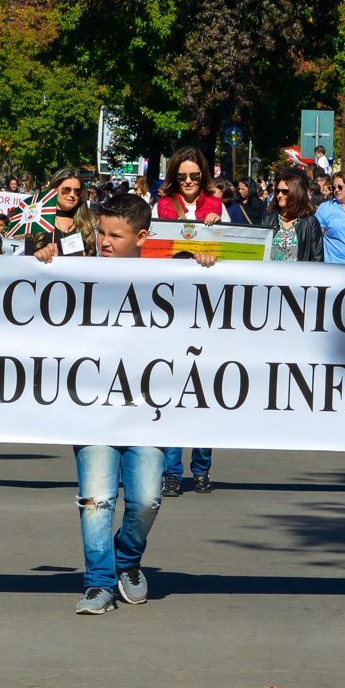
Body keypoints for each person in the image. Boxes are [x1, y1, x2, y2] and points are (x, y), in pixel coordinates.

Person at [37, 191, 215, 612]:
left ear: (142, 237)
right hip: (93, 410)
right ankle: (97, 583)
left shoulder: (166, 278)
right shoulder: (76, 271)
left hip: (147, 413)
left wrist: (204, 270)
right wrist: (43, 258)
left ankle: (128, 560)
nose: (105, 242)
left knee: (147, 500)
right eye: (100, 232)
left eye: (115, 235)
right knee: (96, 501)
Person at [25, 167, 95, 257]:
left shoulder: (87, 222)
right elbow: (27, 261)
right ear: (54, 189)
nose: (72, 195)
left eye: (77, 191)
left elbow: (93, 262)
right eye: (66, 190)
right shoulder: (37, 220)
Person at [266, 167, 324, 262]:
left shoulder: (310, 223)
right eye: (277, 191)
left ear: (296, 193)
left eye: (285, 191)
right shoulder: (267, 220)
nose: (279, 195)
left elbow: (317, 258)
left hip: (299, 276)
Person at [155, 147, 224, 223]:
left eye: (194, 175)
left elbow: (230, 233)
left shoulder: (218, 206)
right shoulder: (160, 206)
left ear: (202, 175)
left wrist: (220, 226)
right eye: (182, 176)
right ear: (175, 176)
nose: (188, 181)